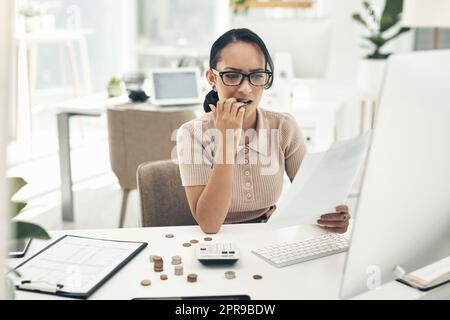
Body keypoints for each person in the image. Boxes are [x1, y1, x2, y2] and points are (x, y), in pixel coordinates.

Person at [176, 28, 350, 234]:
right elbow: (209, 224)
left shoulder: (283, 126)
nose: (245, 89)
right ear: (212, 79)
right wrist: (227, 141)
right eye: (232, 75)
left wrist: (331, 215)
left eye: (257, 76)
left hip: (269, 235)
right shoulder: (192, 134)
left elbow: (311, 197)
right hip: (216, 241)